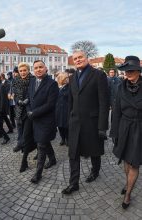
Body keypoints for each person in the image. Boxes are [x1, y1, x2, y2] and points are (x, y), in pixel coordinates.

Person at [62, 50, 109, 195]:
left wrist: (102, 126)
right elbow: (71, 101)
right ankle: (73, 183)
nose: (77, 60)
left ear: (87, 58)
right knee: (73, 153)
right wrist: (70, 119)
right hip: (75, 121)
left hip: (92, 122)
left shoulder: (98, 75)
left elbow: (104, 102)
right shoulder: (72, 78)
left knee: (94, 151)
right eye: (75, 58)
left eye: (80, 57)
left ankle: (95, 171)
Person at [110, 56, 142, 209]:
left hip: (139, 129)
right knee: (126, 161)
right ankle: (128, 182)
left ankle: (128, 193)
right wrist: (114, 132)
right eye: (126, 70)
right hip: (124, 127)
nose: (128, 73)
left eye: (131, 70)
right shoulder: (120, 87)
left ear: (138, 71)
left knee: (134, 162)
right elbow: (116, 112)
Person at [27, 60, 58, 184]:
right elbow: (29, 99)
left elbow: (50, 104)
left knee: (41, 145)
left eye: (41, 67)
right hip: (35, 119)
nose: (38, 69)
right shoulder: (32, 81)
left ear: (46, 68)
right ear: (33, 70)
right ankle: (53, 159)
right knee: (43, 142)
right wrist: (29, 111)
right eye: (36, 68)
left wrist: (34, 113)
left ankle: (38, 173)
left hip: (46, 120)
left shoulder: (52, 84)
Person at [12, 62, 36, 172]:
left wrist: (28, 100)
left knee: (26, 136)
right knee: (22, 134)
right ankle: (43, 152)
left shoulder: (33, 80)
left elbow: (36, 94)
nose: (23, 72)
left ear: (28, 70)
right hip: (19, 111)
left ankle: (24, 161)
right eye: (21, 71)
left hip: (29, 112)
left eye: (24, 70)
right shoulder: (15, 80)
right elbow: (14, 95)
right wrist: (18, 101)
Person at [55, 72, 69, 146]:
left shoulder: (69, 87)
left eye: (67, 78)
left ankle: (67, 139)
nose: (67, 79)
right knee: (60, 126)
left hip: (66, 109)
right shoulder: (57, 87)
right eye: (65, 78)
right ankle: (62, 138)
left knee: (66, 126)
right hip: (58, 110)